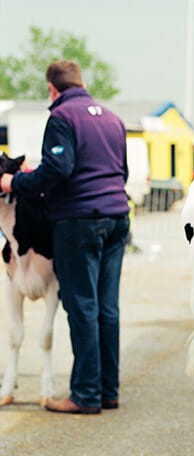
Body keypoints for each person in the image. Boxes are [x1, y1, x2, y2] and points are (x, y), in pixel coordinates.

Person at [0, 60, 130, 414]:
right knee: (107, 307)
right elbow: (124, 171)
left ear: (52, 88)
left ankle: (85, 395)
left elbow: (58, 169)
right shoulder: (112, 118)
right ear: (82, 83)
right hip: (118, 218)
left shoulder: (61, 118)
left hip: (79, 222)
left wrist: (16, 182)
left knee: (82, 306)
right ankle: (107, 391)